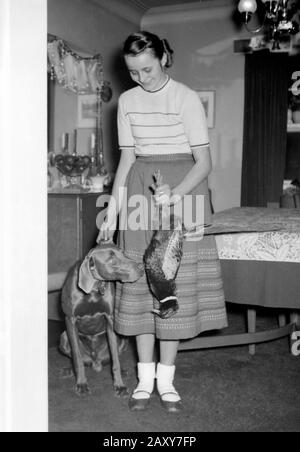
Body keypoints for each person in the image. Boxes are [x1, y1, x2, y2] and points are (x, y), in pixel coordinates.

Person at [98, 31, 228, 413]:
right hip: (140, 188)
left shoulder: (186, 98)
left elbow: (204, 162)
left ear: (164, 58)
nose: (142, 78)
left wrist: (175, 194)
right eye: (134, 72)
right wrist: (113, 210)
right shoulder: (126, 102)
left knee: (174, 285)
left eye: (148, 68)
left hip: (184, 190)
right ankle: (143, 380)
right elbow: (126, 161)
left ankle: (166, 381)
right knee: (140, 283)